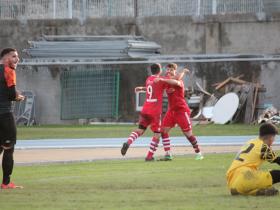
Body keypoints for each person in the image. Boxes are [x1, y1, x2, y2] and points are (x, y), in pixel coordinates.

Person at [121, 63, 179, 161]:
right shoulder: (160, 80)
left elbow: (152, 88)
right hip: (155, 111)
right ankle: (149, 156)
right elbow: (174, 81)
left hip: (145, 109)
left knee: (140, 130)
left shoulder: (148, 79)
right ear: (159, 70)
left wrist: (141, 88)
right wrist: (174, 74)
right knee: (157, 133)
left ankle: (128, 142)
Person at [145, 63, 203, 161]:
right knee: (163, 131)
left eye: (171, 70)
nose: (168, 71)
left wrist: (182, 72)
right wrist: (143, 88)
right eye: (167, 70)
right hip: (171, 112)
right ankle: (168, 154)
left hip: (181, 111)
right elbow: (156, 87)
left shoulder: (179, 81)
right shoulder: (167, 82)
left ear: (175, 72)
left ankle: (199, 153)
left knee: (188, 135)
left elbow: (176, 82)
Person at [226, 123, 280, 196]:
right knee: (273, 174)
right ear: (270, 137)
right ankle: (253, 190)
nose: (274, 140)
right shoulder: (263, 146)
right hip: (246, 176)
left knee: (258, 176)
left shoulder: (251, 141)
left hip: (231, 180)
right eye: (274, 137)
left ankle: (257, 192)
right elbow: (277, 160)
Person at [0, 48, 24, 189]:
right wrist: (17, 97)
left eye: (17, 56)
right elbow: (10, 95)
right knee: (9, 148)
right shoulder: (9, 71)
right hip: (4, 116)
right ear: (4, 58)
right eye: (13, 56)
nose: (17, 59)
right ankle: (6, 183)